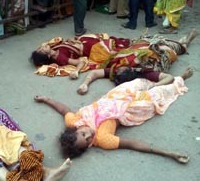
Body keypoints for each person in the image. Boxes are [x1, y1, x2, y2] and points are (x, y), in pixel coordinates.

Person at [34, 68, 193, 162]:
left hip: (114, 96)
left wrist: (46, 99)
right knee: (158, 94)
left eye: (83, 134)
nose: (90, 135)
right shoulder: (102, 139)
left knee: (138, 81)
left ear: (74, 131)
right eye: (88, 141)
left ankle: (160, 78)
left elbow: (63, 109)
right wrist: (169, 153)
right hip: (131, 108)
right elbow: (133, 144)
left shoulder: (74, 122)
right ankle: (180, 79)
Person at [30, 33, 131, 79]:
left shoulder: (52, 48)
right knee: (118, 51)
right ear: (47, 56)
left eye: (41, 47)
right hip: (91, 49)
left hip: (84, 42)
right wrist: (76, 71)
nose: (43, 46)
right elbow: (81, 62)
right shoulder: (60, 58)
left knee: (113, 42)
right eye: (42, 49)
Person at [77, 67, 192, 95]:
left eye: (121, 68)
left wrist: (155, 85)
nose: (119, 67)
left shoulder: (144, 71)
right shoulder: (120, 71)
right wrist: (85, 84)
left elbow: (169, 78)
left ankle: (185, 42)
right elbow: (95, 73)